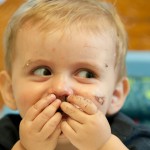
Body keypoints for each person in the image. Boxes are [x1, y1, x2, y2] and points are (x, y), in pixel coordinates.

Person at [0, 0, 150, 149]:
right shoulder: (5, 136)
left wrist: (104, 145)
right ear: (9, 90)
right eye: (43, 71)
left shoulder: (135, 139)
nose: (61, 88)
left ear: (116, 95)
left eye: (86, 74)